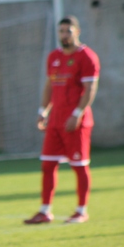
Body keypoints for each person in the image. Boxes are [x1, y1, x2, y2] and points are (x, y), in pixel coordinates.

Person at [25, 16, 100, 225]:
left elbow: (90, 89)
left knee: (79, 165)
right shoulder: (54, 57)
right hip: (55, 121)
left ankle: (81, 210)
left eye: (68, 31)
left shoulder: (87, 57)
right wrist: (43, 111)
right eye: (61, 31)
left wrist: (77, 114)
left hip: (76, 122)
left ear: (77, 32)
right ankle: (45, 211)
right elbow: (50, 85)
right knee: (48, 164)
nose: (64, 35)